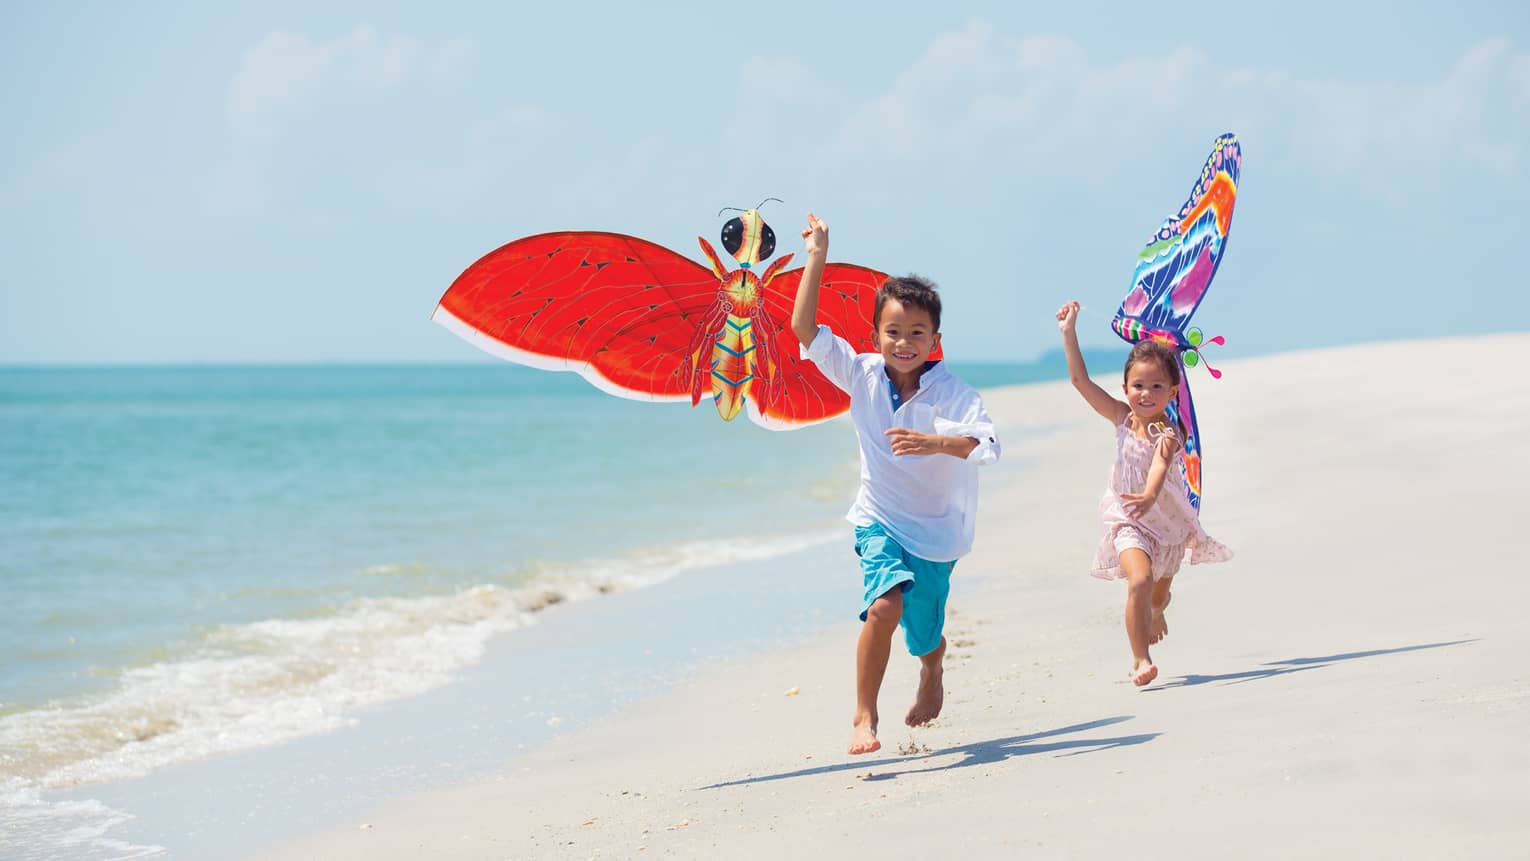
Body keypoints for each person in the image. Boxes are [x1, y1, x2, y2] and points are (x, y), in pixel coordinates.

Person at [792, 213, 1000, 755]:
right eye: (893, 331)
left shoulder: (952, 392)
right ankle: (865, 717)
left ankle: (932, 666)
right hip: (878, 518)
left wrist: (935, 443)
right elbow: (804, 331)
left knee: (923, 631)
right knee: (883, 607)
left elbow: (988, 446)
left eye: (916, 333)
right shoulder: (860, 373)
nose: (904, 342)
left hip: (934, 534)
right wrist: (817, 256)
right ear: (876, 335)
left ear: (935, 339)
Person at [1055, 299, 1231, 687]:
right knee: (1139, 581)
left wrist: (1151, 496)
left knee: (1157, 596)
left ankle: (1157, 611)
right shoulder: (1120, 417)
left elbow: (1159, 468)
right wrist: (1069, 333)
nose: (1145, 393)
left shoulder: (1169, 433)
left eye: (1156, 386)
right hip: (1128, 519)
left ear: (1172, 392)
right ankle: (1140, 660)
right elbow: (1081, 382)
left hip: (1166, 523)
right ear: (1125, 388)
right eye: (1138, 385)